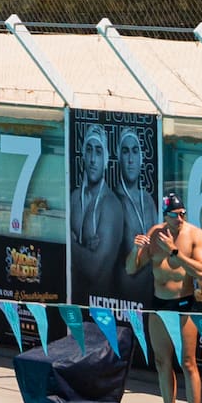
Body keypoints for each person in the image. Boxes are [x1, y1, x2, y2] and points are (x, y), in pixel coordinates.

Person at [127, 194, 202, 403]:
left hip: (184, 305)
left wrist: (174, 252)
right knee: (161, 362)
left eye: (183, 213)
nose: (180, 218)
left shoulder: (196, 236)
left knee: (188, 363)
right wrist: (136, 249)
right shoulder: (155, 234)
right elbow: (131, 269)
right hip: (159, 305)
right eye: (175, 215)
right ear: (165, 217)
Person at [71, 123, 126, 298]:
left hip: (102, 306)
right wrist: (83, 250)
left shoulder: (111, 206)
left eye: (98, 152)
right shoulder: (74, 198)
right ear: (83, 155)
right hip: (72, 300)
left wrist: (70, 241)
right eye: (89, 150)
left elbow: (95, 268)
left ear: (106, 160)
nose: (93, 159)